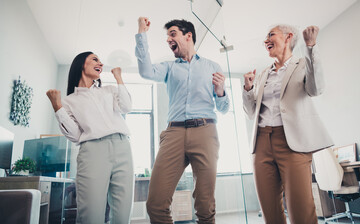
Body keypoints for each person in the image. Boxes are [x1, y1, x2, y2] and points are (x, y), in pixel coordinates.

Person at [135, 17, 229, 224]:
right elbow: (145, 71)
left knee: (205, 205)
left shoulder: (213, 66)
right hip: (174, 133)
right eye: (167, 36)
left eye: (172, 34)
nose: (168, 39)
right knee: (155, 204)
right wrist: (142, 34)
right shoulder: (169, 67)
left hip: (205, 131)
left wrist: (220, 91)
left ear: (188, 36)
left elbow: (224, 108)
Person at [242, 25, 334, 224]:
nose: (265, 40)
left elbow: (316, 89)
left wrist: (311, 47)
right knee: (270, 211)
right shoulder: (263, 74)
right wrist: (248, 89)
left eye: (271, 35)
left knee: (300, 209)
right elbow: (251, 113)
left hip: (293, 142)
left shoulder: (302, 64)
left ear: (288, 37)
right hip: (261, 143)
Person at [46, 52, 134, 224]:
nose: (100, 63)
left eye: (100, 61)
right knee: (90, 215)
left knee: (123, 215)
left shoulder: (109, 90)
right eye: (95, 59)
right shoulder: (69, 101)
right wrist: (57, 107)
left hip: (123, 147)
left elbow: (126, 106)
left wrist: (119, 78)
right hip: (93, 151)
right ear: (81, 64)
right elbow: (75, 135)